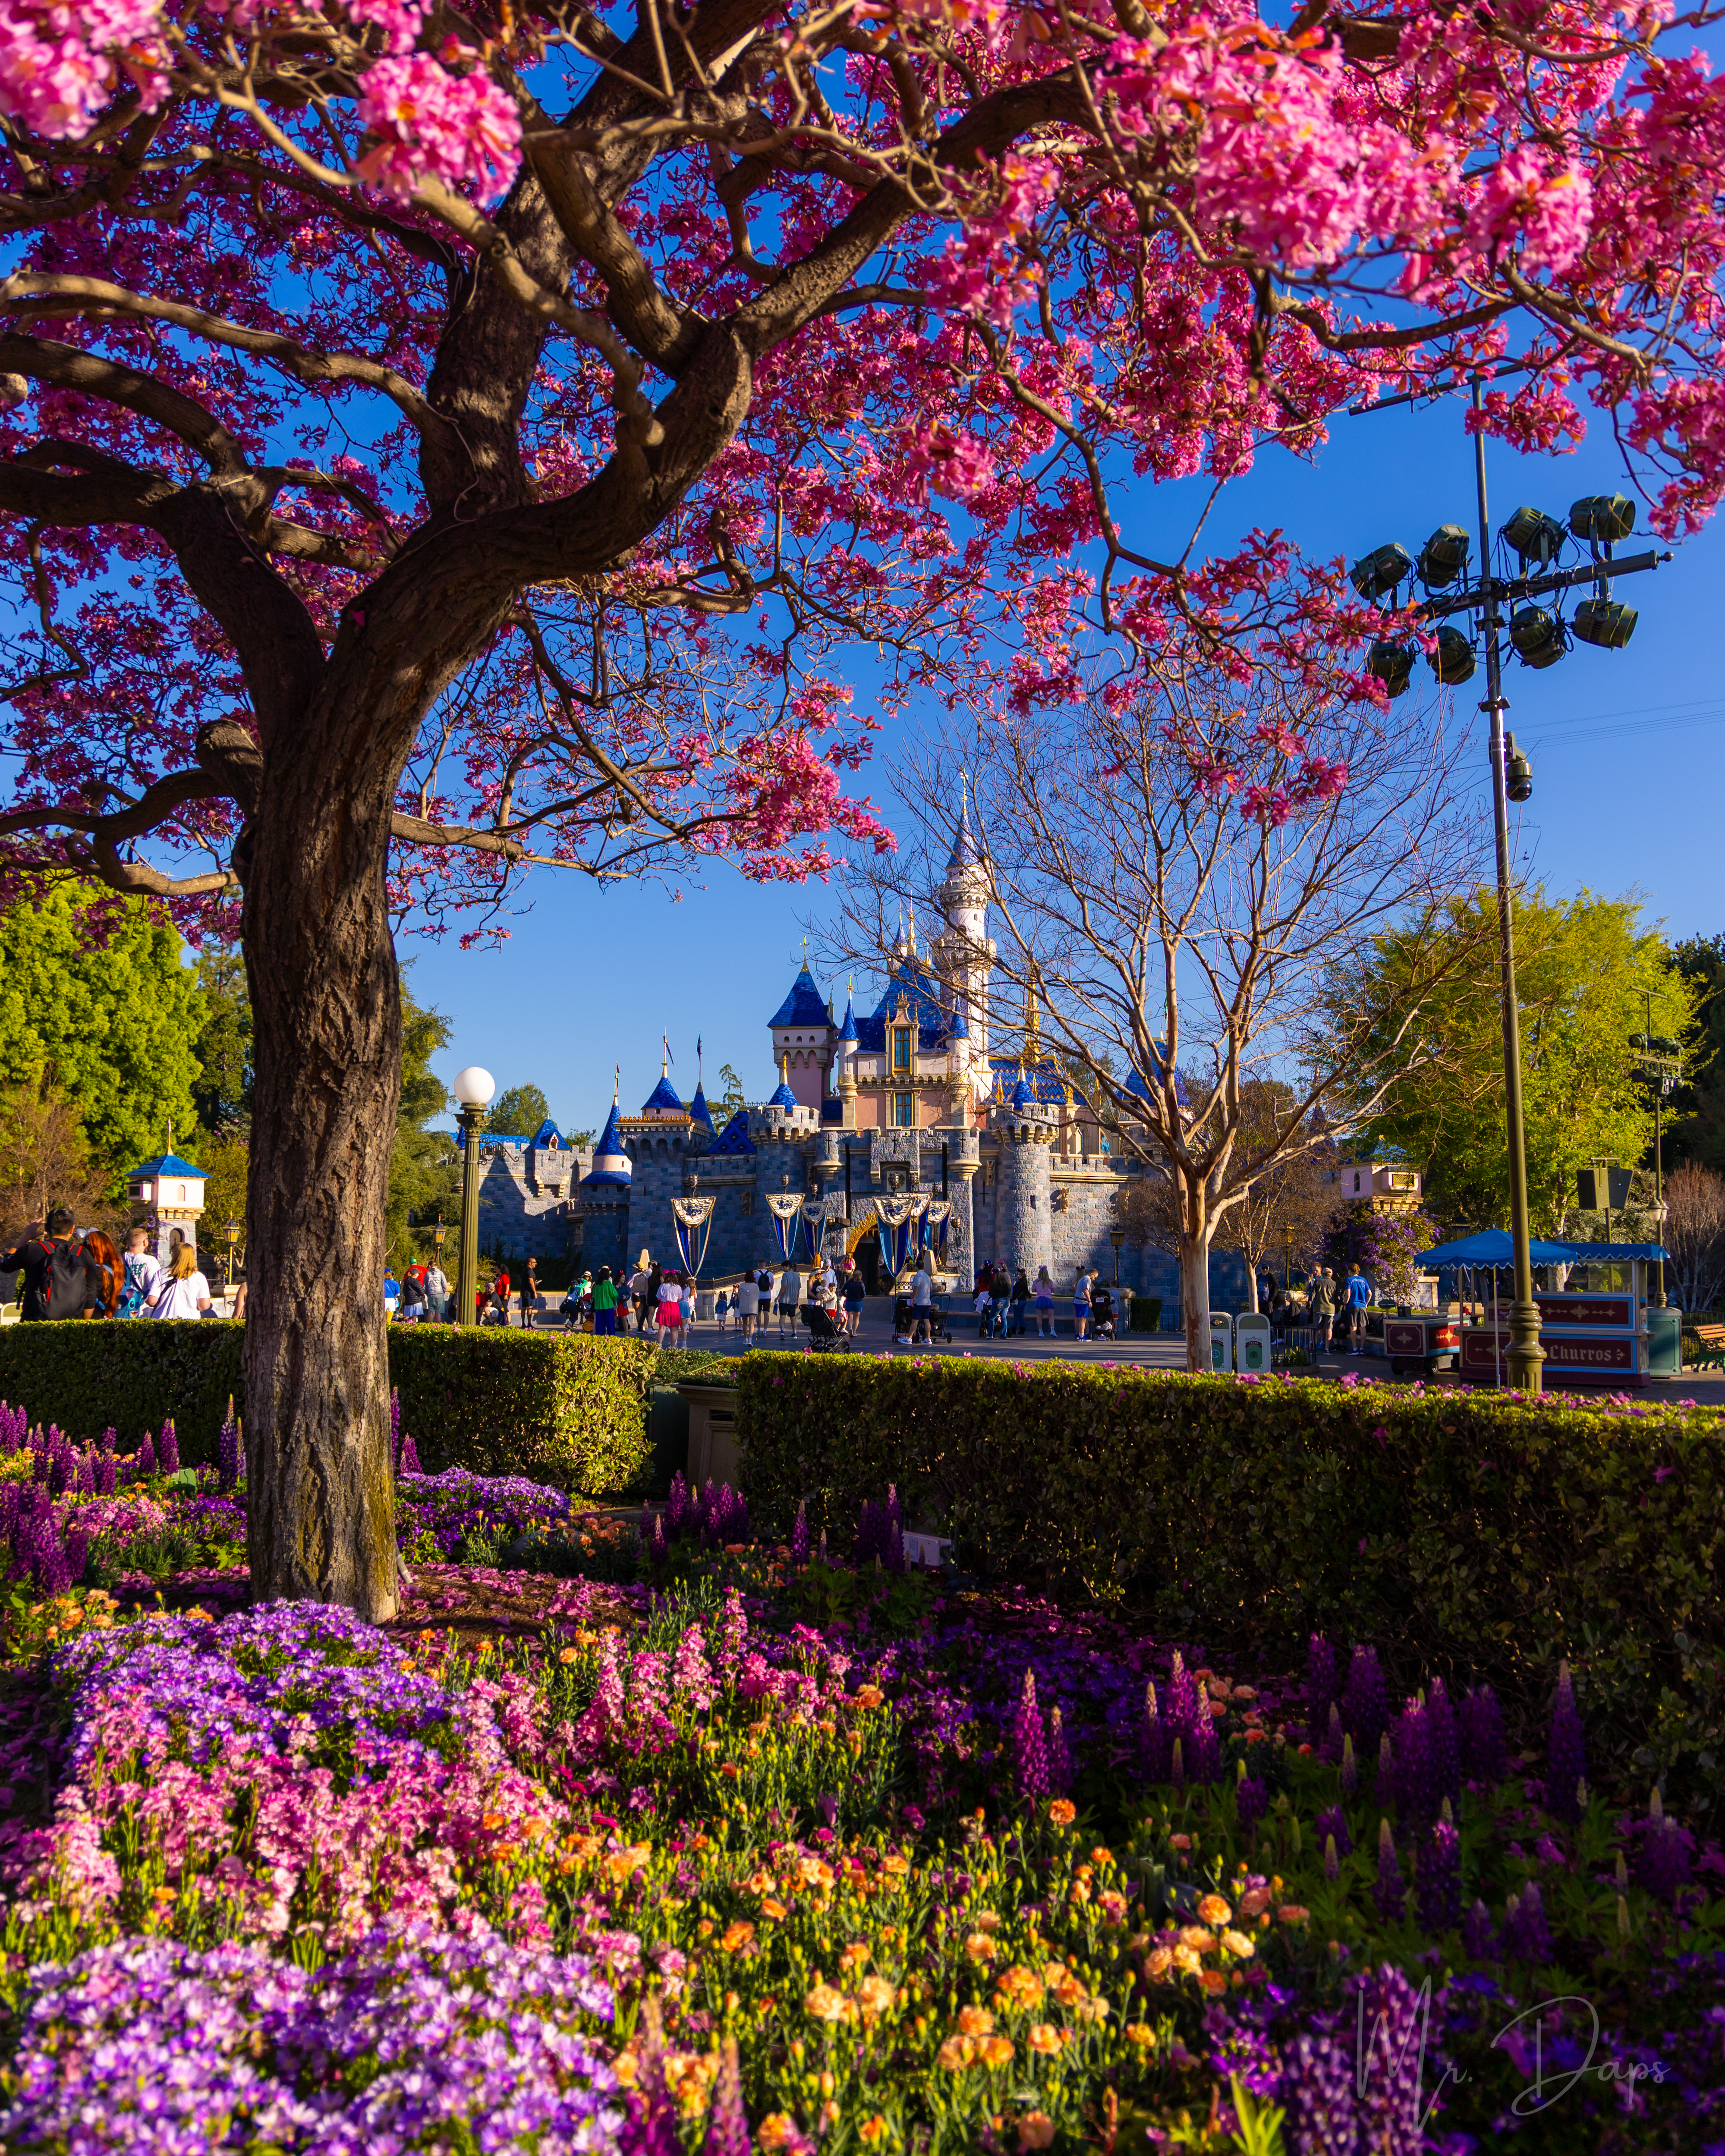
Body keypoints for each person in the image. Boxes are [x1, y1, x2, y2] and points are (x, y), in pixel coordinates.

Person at [0, 1209, 96, 1321]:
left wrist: (26, 1238)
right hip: (71, 1325)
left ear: (46, 1228)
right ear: (72, 1229)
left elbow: (4, 1265)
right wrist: (80, 1325)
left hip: (35, 1323)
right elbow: (91, 1295)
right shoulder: (83, 1254)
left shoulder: (33, 1250)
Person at [148, 1240, 214, 1320]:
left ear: (174, 1256)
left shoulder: (160, 1274)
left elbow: (152, 1301)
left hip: (163, 1322)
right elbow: (204, 1306)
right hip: (189, 1323)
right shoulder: (199, 1277)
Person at [118, 1227, 165, 1320]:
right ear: (145, 1242)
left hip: (122, 1309)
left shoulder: (119, 1259)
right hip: (143, 1311)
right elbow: (156, 1288)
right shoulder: (150, 1261)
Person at [83, 1229, 123, 1318]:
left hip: (93, 1317)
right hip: (112, 1315)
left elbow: (89, 1299)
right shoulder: (118, 1267)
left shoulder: (94, 1271)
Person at [1344, 1265, 1372, 1351]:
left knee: (1353, 1328)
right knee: (1363, 1327)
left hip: (1353, 1306)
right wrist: (1366, 1304)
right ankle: (1362, 1348)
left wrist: (1345, 1304)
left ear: (1350, 1271)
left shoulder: (1349, 1280)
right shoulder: (1364, 1280)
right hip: (1362, 1306)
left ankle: (1355, 1349)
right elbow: (1370, 1293)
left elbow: (1348, 1295)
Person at [909, 1258, 934, 1344]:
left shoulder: (918, 1276)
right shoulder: (927, 1276)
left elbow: (916, 1288)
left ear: (917, 1267)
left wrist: (912, 1298)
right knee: (926, 1320)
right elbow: (931, 1288)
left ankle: (909, 1338)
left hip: (919, 1302)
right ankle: (928, 1339)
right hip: (927, 1302)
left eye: (915, 1266)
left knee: (915, 1320)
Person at [655, 1269, 684, 1345]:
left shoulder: (663, 1286)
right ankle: (673, 1346)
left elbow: (658, 1297)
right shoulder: (678, 1287)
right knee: (674, 1329)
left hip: (664, 1306)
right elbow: (679, 1299)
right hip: (674, 1307)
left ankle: (660, 1345)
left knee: (662, 1328)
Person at [592, 1264, 620, 1336]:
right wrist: (615, 1303)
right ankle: (611, 1338)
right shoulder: (608, 1284)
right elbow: (614, 1295)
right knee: (610, 1323)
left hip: (599, 1306)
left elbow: (594, 1296)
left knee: (600, 1324)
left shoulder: (597, 1285)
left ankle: (600, 1338)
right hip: (608, 1305)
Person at [778, 1261, 802, 1340]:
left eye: (784, 1267)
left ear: (788, 1267)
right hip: (793, 1300)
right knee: (793, 1317)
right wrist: (797, 1300)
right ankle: (794, 1332)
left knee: (783, 1316)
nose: (783, 1269)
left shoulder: (785, 1275)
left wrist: (778, 1297)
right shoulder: (797, 1276)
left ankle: (782, 1331)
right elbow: (799, 1290)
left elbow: (784, 1286)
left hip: (784, 1300)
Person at [842, 1261, 866, 1336]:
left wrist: (847, 1296)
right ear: (858, 1276)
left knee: (850, 1317)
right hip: (858, 1302)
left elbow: (842, 1291)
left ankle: (850, 1328)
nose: (861, 1277)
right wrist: (860, 1297)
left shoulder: (848, 1283)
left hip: (849, 1301)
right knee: (857, 1317)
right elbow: (864, 1294)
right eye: (861, 1276)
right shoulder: (861, 1284)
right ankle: (855, 1332)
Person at [1032, 1264, 1055, 1338]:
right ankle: (1052, 1330)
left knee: (1039, 1316)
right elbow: (1053, 1290)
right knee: (1051, 1316)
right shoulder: (1050, 1282)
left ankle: (1040, 1332)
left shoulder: (1036, 1281)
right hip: (1048, 1299)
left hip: (1040, 1299)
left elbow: (1033, 1290)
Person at [425, 1256, 450, 1322]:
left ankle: (429, 1327)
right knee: (438, 1313)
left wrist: (427, 1293)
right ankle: (438, 1328)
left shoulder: (427, 1274)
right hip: (440, 1294)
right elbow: (444, 1285)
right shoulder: (441, 1273)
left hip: (431, 1294)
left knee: (431, 1312)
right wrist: (443, 1292)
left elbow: (425, 1286)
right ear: (437, 1266)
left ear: (430, 1266)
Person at [1072, 1267, 1093, 1342]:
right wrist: (1090, 1300)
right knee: (1084, 1318)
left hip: (1077, 1299)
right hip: (1083, 1301)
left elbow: (1074, 1286)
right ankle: (1085, 1333)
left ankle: (1078, 1332)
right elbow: (1090, 1289)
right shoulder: (1087, 1280)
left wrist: (1077, 1291)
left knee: (1077, 1318)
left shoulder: (1077, 1280)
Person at [1009, 1268, 1031, 1337]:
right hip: (1024, 1301)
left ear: (1022, 1275)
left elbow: (1016, 1294)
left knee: (1016, 1316)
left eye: (1020, 1275)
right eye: (1018, 1275)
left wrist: (1011, 1300)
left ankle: (1014, 1329)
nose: (1018, 1276)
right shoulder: (1025, 1282)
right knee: (1021, 1316)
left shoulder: (1019, 1283)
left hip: (1018, 1302)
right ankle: (1022, 1330)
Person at [523, 1257, 540, 1327]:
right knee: (530, 1307)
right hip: (529, 1293)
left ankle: (523, 1324)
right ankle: (529, 1324)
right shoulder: (530, 1271)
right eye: (534, 1262)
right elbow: (531, 1282)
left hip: (524, 1292)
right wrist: (535, 1292)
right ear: (530, 1263)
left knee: (523, 1307)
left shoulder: (524, 1270)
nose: (536, 1264)